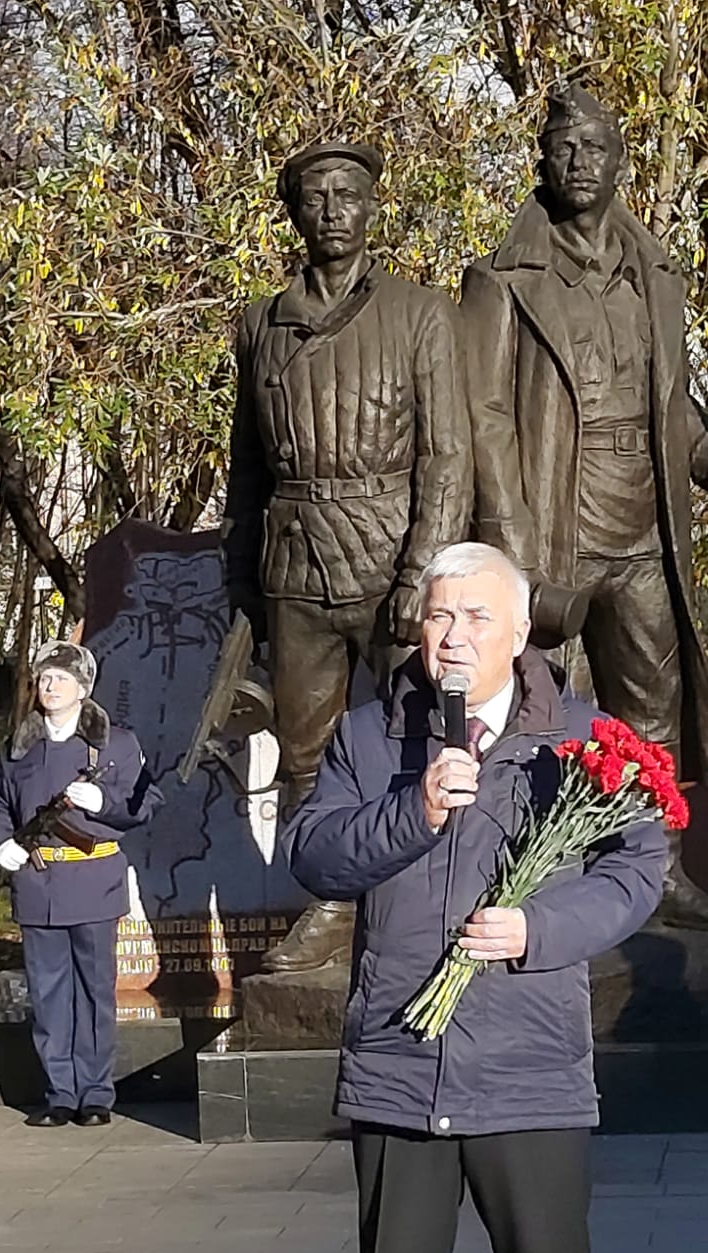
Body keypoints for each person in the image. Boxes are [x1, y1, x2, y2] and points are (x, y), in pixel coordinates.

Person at [284, 542, 665, 1253]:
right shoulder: (372, 733)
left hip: (528, 1067)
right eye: (438, 615)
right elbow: (314, 852)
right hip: (402, 1061)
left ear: (521, 631)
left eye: (475, 617)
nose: (451, 636)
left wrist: (540, 930)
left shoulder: (580, 740)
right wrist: (414, 810)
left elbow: (636, 867)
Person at [460, 82, 708, 931]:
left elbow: (672, 409)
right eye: (563, 149)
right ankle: (532, 879)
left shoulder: (654, 279)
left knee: (650, 713)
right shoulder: (501, 281)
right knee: (536, 716)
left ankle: (653, 872)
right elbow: (482, 416)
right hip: (551, 533)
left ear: (620, 163)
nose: (578, 162)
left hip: (644, 532)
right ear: (541, 163)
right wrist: (510, 547)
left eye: (594, 148)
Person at [222, 139, 471, 974]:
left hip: (391, 555)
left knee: (421, 732)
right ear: (295, 212)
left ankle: (428, 893)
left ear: (372, 208)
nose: (333, 212)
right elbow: (247, 468)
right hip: (294, 562)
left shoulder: (421, 313)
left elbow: (448, 455)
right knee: (304, 749)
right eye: (316, 197)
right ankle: (328, 902)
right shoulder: (261, 324)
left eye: (349, 195)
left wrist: (422, 572)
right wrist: (241, 581)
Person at [0, 641, 164, 1127]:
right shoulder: (20, 746)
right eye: (44, 678)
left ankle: (96, 1094)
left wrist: (104, 802)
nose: (50, 686)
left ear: (83, 689)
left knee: (94, 993)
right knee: (48, 997)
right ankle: (60, 1093)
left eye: (61, 679)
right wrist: (0, 842)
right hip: (38, 883)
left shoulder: (115, 744)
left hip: (92, 883)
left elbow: (147, 801)